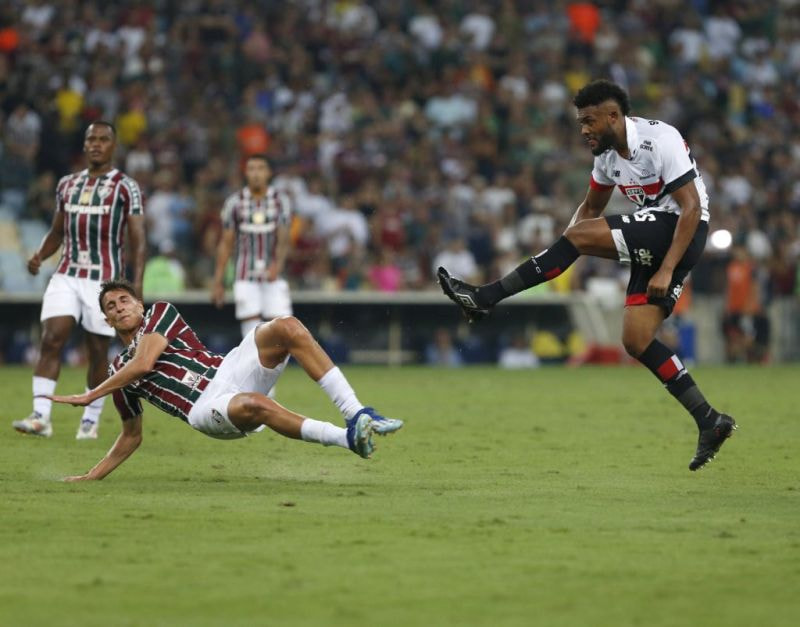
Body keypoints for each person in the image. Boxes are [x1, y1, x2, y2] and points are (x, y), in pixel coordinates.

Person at [438, 79, 735, 471]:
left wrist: (664, 268)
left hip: (683, 229)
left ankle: (485, 297)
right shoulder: (607, 157)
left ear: (614, 115)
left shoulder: (659, 138)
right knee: (637, 339)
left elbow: (692, 207)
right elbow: (590, 209)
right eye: (580, 122)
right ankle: (709, 420)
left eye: (590, 121)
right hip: (657, 231)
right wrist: (568, 247)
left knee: (578, 239)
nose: (584, 130)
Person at [48, 279, 403, 481]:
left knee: (287, 327)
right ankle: (347, 440)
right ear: (107, 322)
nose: (119, 307)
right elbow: (131, 435)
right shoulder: (117, 373)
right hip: (204, 409)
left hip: (228, 368)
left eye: (124, 300)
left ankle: (356, 413)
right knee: (256, 404)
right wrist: (91, 476)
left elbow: (143, 362)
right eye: (110, 307)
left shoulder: (160, 313)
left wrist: (90, 394)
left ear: (139, 304)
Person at [12, 121, 146, 440]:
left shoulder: (126, 187)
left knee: (98, 350)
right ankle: (40, 415)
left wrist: (136, 286)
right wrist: (40, 256)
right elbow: (58, 231)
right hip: (68, 274)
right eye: (91, 139)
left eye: (103, 139)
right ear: (84, 145)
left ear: (114, 146)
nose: (96, 144)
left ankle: (90, 418)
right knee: (52, 337)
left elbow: (138, 239)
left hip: (105, 280)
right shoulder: (67, 185)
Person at [212, 154, 292, 340]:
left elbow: (284, 239)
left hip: (274, 273)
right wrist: (218, 281)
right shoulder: (235, 202)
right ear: (246, 173)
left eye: (261, 168)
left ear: (269, 172)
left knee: (282, 327)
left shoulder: (281, 200)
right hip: (244, 273)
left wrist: (277, 265)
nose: (256, 174)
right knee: (251, 331)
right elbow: (226, 243)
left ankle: (276, 370)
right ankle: (254, 369)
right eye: (252, 169)